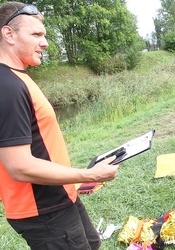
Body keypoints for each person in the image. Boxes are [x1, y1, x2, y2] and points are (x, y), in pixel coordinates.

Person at [0, 2, 120, 249]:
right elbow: (19, 167)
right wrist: (89, 175)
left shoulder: (19, 77)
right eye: (36, 35)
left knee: (92, 243)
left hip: (60, 194)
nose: (45, 43)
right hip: (43, 210)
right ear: (8, 34)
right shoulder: (7, 87)